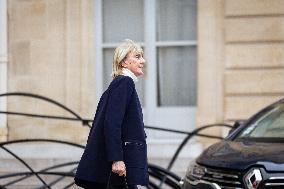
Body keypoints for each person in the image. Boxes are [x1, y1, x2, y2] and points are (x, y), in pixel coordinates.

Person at [75, 39, 148, 189]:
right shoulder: (124, 83)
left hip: (119, 164)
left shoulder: (119, 84)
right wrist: (117, 159)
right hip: (118, 166)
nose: (143, 61)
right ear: (124, 62)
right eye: (137, 56)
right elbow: (112, 123)